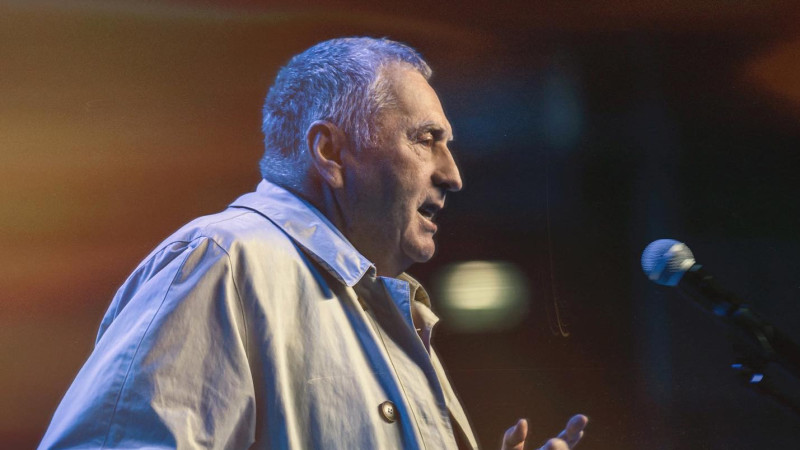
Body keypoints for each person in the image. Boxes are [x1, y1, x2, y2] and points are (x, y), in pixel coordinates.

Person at [40, 37, 587, 449]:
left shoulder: (375, 303)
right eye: (426, 140)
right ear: (329, 152)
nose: (453, 174)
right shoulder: (223, 262)